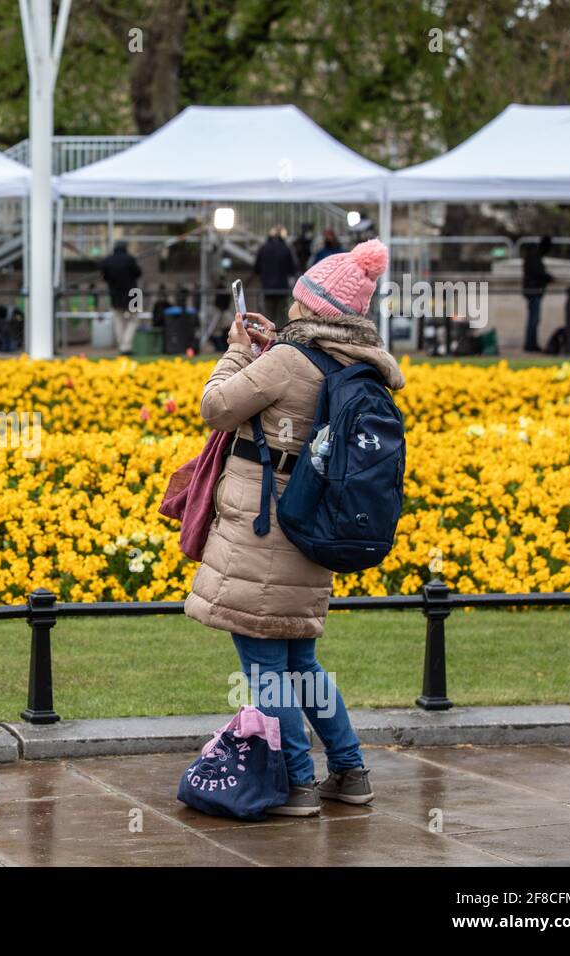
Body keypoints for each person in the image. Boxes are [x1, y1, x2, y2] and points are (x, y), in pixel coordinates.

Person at [186, 239, 405, 816]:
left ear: (313, 306)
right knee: (302, 665)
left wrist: (237, 353)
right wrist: (268, 352)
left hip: (263, 531)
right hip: (311, 526)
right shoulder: (349, 361)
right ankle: (351, 773)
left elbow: (215, 407)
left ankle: (298, 784)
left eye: (299, 298)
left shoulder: (286, 360)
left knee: (265, 670)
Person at [100, 240, 143, 354]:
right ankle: (126, 345)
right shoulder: (130, 259)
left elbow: (104, 277)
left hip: (115, 294)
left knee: (118, 320)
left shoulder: (107, 261)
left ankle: (122, 345)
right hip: (133, 293)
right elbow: (138, 273)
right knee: (134, 320)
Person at [253, 226, 297, 326]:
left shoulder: (263, 248)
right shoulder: (286, 248)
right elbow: (292, 270)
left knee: (267, 318)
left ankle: (267, 339)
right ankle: (282, 339)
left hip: (267, 289)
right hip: (282, 289)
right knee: (282, 319)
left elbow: (257, 269)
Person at [522, 236, 554, 352]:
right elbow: (538, 273)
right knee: (533, 319)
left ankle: (531, 343)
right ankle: (530, 344)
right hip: (533, 291)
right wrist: (549, 278)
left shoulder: (534, 256)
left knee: (534, 319)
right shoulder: (534, 257)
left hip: (533, 290)